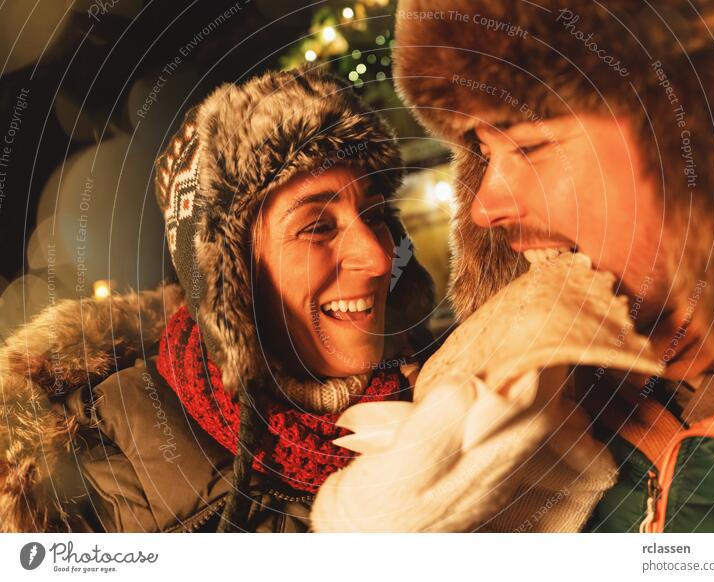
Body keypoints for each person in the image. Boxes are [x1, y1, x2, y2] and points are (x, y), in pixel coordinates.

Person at [352, 0, 714, 532]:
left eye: (529, 144)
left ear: (698, 143)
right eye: (483, 152)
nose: (484, 208)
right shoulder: (550, 426)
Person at [0, 68, 433, 532]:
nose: (378, 256)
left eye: (375, 213)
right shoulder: (99, 460)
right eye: (317, 227)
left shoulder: (456, 391)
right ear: (231, 280)